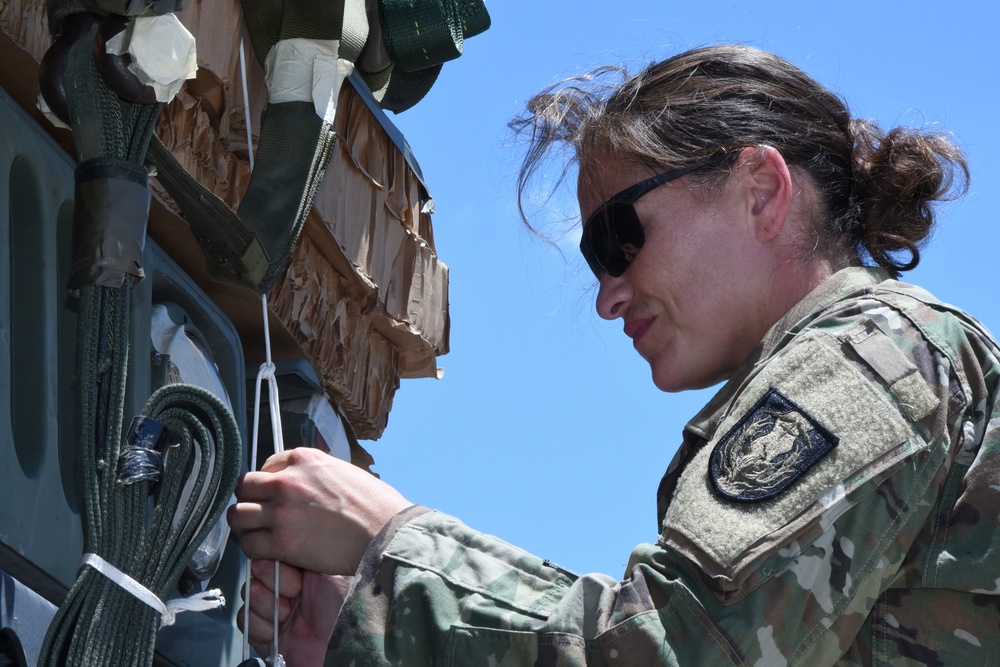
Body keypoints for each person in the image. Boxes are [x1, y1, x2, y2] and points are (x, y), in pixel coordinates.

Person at [228, 44, 1000, 665]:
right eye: (598, 261)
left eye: (619, 239)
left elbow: (678, 646)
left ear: (761, 189)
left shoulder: (872, 354)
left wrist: (392, 541)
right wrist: (370, 625)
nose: (608, 296)